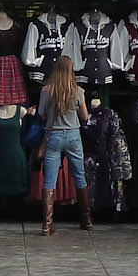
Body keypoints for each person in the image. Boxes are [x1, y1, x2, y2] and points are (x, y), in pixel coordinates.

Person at [38, 55, 91, 234]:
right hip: (73, 135)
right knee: (80, 176)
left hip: (53, 136)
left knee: (50, 179)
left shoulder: (46, 90)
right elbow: (84, 117)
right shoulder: (78, 91)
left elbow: (43, 115)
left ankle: (47, 224)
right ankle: (86, 219)